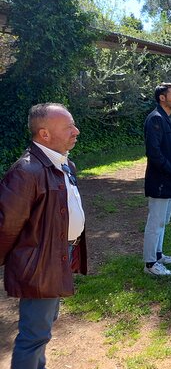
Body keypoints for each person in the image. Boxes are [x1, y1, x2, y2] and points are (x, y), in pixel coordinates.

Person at [0, 103, 87, 369]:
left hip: (55, 257)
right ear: (44, 134)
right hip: (39, 264)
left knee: (42, 330)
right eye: (68, 127)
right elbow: (5, 225)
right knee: (34, 336)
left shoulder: (62, 163)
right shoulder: (27, 171)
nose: (76, 131)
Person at [143, 82, 171, 276]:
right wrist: (170, 170)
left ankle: (158, 254)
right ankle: (150, 264)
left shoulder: (166, 119)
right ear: (162, 98)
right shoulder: (155, 119)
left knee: (163, 221)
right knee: (155, 222)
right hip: (159, 180)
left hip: (168, 180)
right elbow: (154, 152)